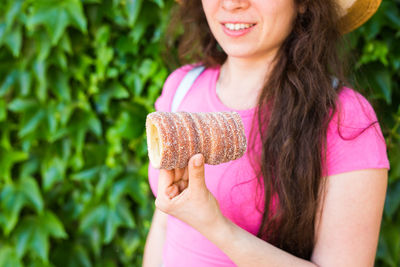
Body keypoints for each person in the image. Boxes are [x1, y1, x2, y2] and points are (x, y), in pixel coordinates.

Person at [143, 0, 390, 266]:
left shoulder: (344, 119)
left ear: (304, 4)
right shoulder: (182, 87)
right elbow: (164, 225)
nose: (231, 4)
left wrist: (215, 226)